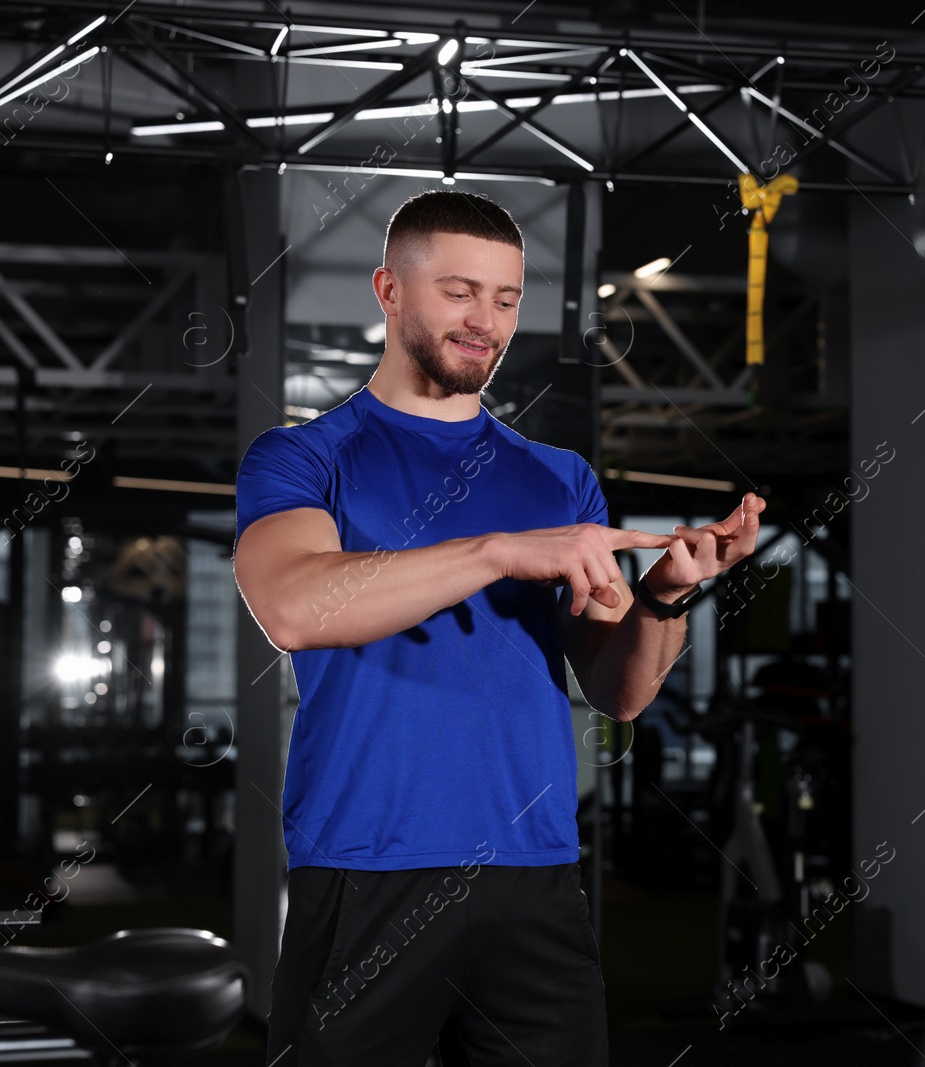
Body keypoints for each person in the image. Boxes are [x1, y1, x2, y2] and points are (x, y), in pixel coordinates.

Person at [234, 188, 767, 1065]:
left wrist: (669, 594)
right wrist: (496, 553)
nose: (486, 320)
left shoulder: (560, 481)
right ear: (389, 290)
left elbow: (619, 691)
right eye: (459, 291)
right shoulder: (305, 455)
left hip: (535, 874)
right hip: (367, 868)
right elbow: (296, 607)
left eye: (507, 298)